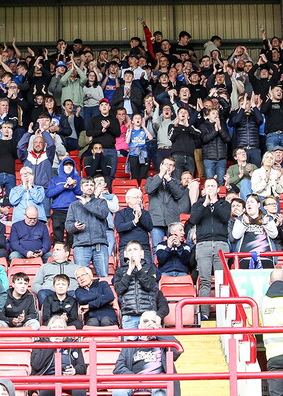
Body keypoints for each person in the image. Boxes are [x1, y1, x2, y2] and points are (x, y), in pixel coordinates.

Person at [111, 311, 182, 396]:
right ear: (139, 326)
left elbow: (177, 351)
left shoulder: (164, 343)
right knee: (119, 392)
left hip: (157, 380)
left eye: (153, 321)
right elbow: (118, 368)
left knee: (160, 391)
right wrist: (134, 378)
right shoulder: (130, 344)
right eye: (145, 321)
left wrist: (157, 331)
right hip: (134, 380)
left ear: (158, 326)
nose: (149, 324)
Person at [189, 177, 229, 320]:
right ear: (204, 190)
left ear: (218, 189)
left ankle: (223, 314)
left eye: (213, 186)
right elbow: (193, 220)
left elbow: (225, 218)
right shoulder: (198, 205)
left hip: (221, 243)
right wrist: (205, 204)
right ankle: (204, 314)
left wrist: (215, 202)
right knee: (205, 280)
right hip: (203, 244)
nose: (210, 188)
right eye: (208, 186)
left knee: (222, 281)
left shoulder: (224, 204)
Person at [65, 178, 112, 278]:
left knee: (103, 277)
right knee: (81, 277)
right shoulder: (74, 205)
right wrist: (75, 226)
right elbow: (68, 226)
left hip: (99, 245)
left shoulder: (101, 202)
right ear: (81, 188)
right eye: (86, 185)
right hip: (81, 245)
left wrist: (86, 204)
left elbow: (103, 214)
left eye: (91, 185)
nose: (89, 187)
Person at [30, 315, 87, 395]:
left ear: (65, 330)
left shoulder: (73, 344)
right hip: (47, 379)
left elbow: (82, 367)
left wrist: (74, 370)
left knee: (80, 390)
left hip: (68, 379)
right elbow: (36, 365)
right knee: (47, 391)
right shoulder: (39, 343)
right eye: (54, 327)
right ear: (49, 330)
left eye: (60, 327)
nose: (57, 330)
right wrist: (52, 345)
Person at [113, 241, 159, 333]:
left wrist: (139, 267)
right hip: (129, 316)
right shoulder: (120, 271)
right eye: (129, 250)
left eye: (135, 249)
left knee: (150, 345)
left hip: (148, 315)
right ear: (125, 254)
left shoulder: (150, 268)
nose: (132, 252)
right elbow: (119, 289)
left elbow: (149, 285)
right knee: (129, 346)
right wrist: (129, 271)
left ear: (141, 253)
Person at [145, 157, 184, 248]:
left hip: (172, 220)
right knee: (157, 247)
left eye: (171, 165)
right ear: (160, 166)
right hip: (156, 220)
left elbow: (178, 195)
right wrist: (161, 175)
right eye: (166, 164)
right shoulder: (151, 180)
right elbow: (150, 190)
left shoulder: (176, 182)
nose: (168, 167)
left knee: (175, 246)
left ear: (174, 168)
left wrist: (169, 180)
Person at [45, 157, 82, 243]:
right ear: (62, 167)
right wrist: (64, 186)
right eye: (66, 165)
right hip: (58, 211)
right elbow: (49, 194)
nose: (68, 167)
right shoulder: (55, 180)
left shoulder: (78, 179)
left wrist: (73, 185)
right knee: (58, 238)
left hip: (73, 211)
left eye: (71, 165)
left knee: (72, 239)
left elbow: (81, 193)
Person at [114, 188, 154, 263]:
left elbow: (149, 227)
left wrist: (140, 215)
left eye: (140, 198)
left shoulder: (145, 213)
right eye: (136, 197)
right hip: (127, 248)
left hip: (143, 248)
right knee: (126, 272)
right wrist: (134, 222)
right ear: (128, 199)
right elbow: (119, 228)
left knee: (146, 272)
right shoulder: (121, 213)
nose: (139, 200)